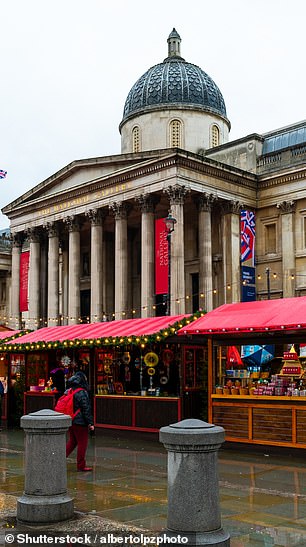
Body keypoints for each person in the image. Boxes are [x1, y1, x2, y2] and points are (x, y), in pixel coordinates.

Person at [65, 371, 94, 472]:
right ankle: (81, 465)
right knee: (82, 443)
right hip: (80, 422)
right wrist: (90, 423)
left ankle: (59, 459)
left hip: (70, 420)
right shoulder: (82, 392)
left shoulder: (69, 390)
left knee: (72, 442)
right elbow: (86, 409)